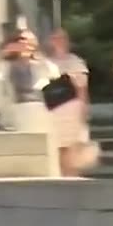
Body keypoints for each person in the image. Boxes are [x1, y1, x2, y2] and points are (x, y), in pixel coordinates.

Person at [0, 29, 59, 134]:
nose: (26, 43)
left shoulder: (38, 64)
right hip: (17, 110)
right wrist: (6, 52)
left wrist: (38, 56)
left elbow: (54, 73)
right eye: (22, 40)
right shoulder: (8, 65)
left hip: (37, 108)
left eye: (30, 40)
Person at [46, 28, 92, 176]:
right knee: (56, 147)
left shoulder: (75, 61)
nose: (58, 41)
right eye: (55, 38)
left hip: (71, 109)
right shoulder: (46, 62)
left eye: (61, 38)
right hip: (52, 110)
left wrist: (84, 110)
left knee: (73, 148)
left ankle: (73, 178)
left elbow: (82, 89)